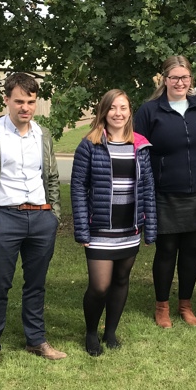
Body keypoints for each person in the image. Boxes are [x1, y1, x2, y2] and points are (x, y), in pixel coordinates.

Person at [0, 72, 65, 374]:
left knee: (36, 284)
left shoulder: (42, 135)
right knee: (0, 284)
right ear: (6, 100)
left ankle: (36, 339)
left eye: (31, 101)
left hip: (40, 218)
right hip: (5, 219)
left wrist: (54, 215)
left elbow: (50, 177)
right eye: (19, 101)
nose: (26, 107)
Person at [134, 55, 196, 328]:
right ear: (164, 79)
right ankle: (162, 306)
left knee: (192, 250)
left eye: (185, 77)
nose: (180, 82)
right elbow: (138, 153)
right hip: (163, 193)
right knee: (166, 250)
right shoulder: (150, 111)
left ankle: (185, 304)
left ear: (191, 80)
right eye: (174, 77)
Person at [71, 89, 157, 356]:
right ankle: (91, 332)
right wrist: (82, 228)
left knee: (121, 279)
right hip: (100, 230)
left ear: (130, 111)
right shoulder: (90, 144)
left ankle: (110, 332)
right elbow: (77, 188)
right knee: (99, 286)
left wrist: (150, 227)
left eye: (123, 107)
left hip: (128, 228)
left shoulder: (140, 145)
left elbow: (148, 188)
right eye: (112, 108)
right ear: (104, 112)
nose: (118, 113)